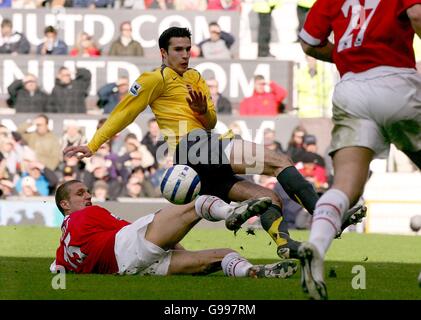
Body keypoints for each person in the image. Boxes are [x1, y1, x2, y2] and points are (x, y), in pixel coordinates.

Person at [64, 27, 364, 261]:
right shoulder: (154, 79)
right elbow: (124, 113)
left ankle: (284, 245)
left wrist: (200, 110)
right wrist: (93, 145)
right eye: (178, 50)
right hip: (193, 146)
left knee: (266, 198)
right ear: (163, 53)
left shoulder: (195, 77)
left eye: (187, 49)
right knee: (279, 162)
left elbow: (209, 121)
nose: (184, 55)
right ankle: (328, 217)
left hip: (202, 151)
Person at [297, 0, 421, 300]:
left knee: (346, 185)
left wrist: (341, 55)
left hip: (352, 88)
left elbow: (309, 44)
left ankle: (316, 243)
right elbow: (417, 14)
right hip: (396, 81)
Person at [51, 179, 298, 278]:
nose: (89, 196)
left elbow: (57, 270)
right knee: (198, 203)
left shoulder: (62, 248)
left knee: (223, 254)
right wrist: (175, 245)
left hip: (132, 271)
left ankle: (251, 271)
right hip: (130, 247)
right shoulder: (90, 214)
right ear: (65, 204)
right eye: (80, 193)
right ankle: (231, 213)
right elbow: (136, 232)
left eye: (87, 191)